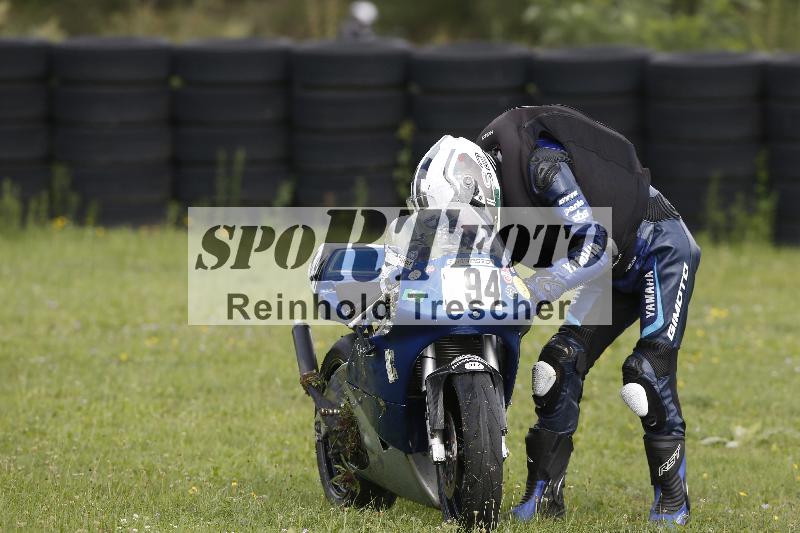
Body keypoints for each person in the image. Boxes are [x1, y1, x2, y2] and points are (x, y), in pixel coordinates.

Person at [407, 105, 700, 525]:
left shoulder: (543, 165)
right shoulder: (489, 199)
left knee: (646, 377)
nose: (465, 229)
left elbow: (596, 245)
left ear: (474, 187)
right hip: (611, 270)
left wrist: (538, 290)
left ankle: (673, 503)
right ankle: (543, 497)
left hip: (660, 249)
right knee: (554, 369)